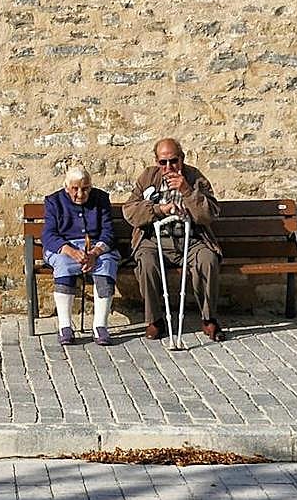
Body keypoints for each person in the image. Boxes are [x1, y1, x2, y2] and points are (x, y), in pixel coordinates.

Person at [122, 138, 224, 342]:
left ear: (182, 158)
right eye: (163, 162)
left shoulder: (195, 178)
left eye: (173, 161)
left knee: (208, 260)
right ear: (157, 161)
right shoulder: (148, 177)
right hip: (154, 239)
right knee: (146, 263)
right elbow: (130, 211)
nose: (169, 167)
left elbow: (209, 214)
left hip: (191, 239)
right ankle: (155, 320)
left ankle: (208, 318)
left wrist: (187, 191)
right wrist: (159, 209)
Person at [42, 165, 120, 346]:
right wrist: (70, 251)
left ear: (90, 187)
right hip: (64, 248)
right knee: (63, 264)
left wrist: (95, 253)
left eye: (85, 189)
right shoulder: (54, 201)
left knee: (106, 263)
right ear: (66, 187)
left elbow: (108, 232)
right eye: (75, 189)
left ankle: (100, 326)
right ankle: (65, 326)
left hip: (95, 248)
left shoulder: (101, 198)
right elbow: (48, 234)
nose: (80, 194)